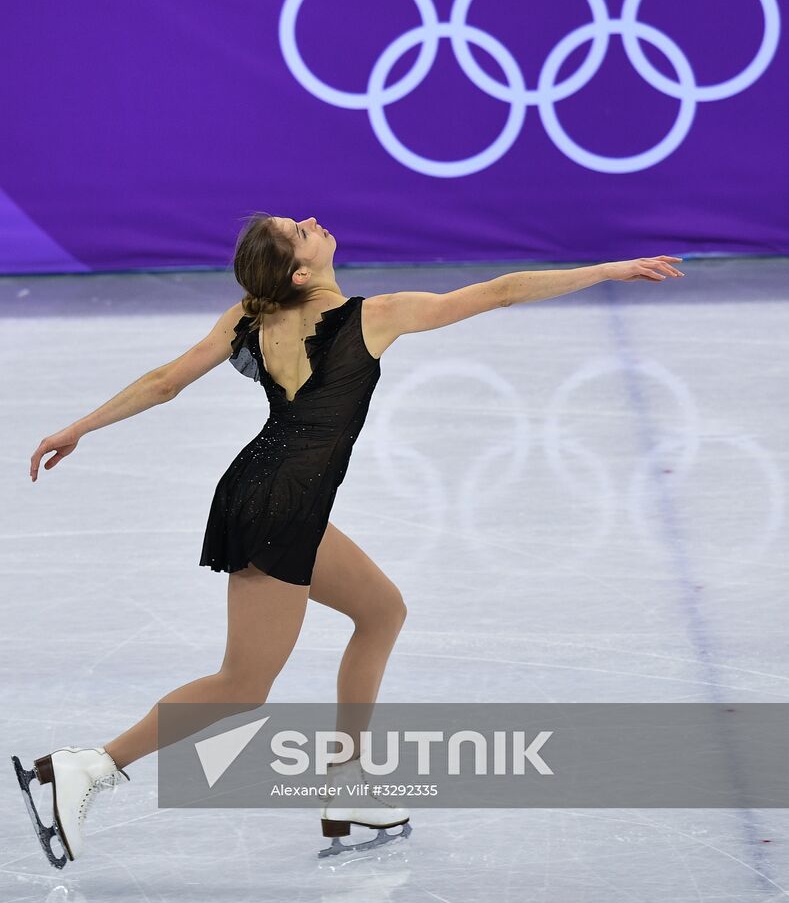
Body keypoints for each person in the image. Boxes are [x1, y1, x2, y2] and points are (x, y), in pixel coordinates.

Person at [15, 212, 684, 864]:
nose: (312, 220)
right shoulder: (375, 315)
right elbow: (500, 291)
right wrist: (604, 269)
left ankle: (347, 780)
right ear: (302, 271)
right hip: (279, 504)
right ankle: (90, 767)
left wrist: (81, 426)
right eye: (300, 230)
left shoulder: (250, 315)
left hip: (273, 494)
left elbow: (165, 383)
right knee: (243, 684)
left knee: (380, 610)